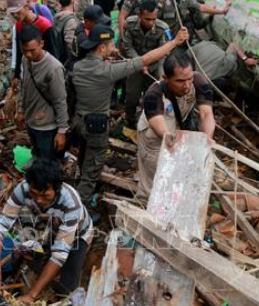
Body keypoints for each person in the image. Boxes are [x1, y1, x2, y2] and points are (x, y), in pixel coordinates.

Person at [72, 25, 189, 208]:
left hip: (78, 123)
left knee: (84, 158)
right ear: (102, 47)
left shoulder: (78, 66)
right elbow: (146, 59)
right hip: (96, 127)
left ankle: (81, 186)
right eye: (111, 45)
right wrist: (174, 42)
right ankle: (80, 207)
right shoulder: (107, 71)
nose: (114, 48)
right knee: (92, 169)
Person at [0, 159, 93, 301]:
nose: (39, 200)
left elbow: (59, 255)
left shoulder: (71, 204)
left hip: (78, 234)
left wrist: (31, 295)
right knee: (32, 258)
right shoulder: (23, 189)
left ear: (57, 190)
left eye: (45, 196)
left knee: (67, 287)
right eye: (34, 194)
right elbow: (0, 225)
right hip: (48, 226)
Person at [136, 51, 215, 202]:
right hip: (153, 135)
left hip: (174, 129)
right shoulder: (154, 93)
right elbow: (157, 124)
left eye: (189, 78)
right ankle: (144, 208)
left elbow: (206, 114)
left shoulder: (199, 82)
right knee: (152, 180)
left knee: (174, 174)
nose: (186, 85)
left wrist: (207, 139)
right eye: (180, 81)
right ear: (166, 78)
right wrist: (169, 138)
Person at [17, 26, 70, 162]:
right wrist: (21, 110)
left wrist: (62, 131)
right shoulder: (25, 60)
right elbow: (24, 86)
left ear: (41, 44)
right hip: (31, 121)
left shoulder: (54, 68)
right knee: (37, 155)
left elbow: (60, 101)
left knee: (49, 163)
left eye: (32, 50)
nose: (28, 55)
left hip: (47, 127)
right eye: (24, 50)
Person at [121, 0, 171, 129]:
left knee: (153, 96)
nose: (151, 22)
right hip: (135, 65)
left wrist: (160, 72)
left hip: (154, 66)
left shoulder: (163, 28)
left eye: (153, 19)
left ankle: (150, 122)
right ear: (139, 16)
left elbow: (164, 51)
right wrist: (139, 62)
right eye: (147, 19)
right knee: (132, 95)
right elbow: (127, 46)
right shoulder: (130, 24)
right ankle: (130, 119)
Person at [7, 0, 58, 80]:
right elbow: (19, 51)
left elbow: (53, 53)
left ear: (26, 7)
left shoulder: (44, 25)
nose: (15, 15)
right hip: (29, 69)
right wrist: (17, 75)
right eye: (12, 13)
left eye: (18, 11)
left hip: (45, 69)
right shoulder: (19, 25)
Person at [191, 40, 258, 88]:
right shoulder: (229, 63)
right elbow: (233, 45)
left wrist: (245, 59)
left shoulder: (203, 44)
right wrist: (245, 59)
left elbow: (233, 45)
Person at [54, 0, 80, 65]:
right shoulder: (70, 21)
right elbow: (70, 44)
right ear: (72, 0)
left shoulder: (57, 17)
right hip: (66, 62)